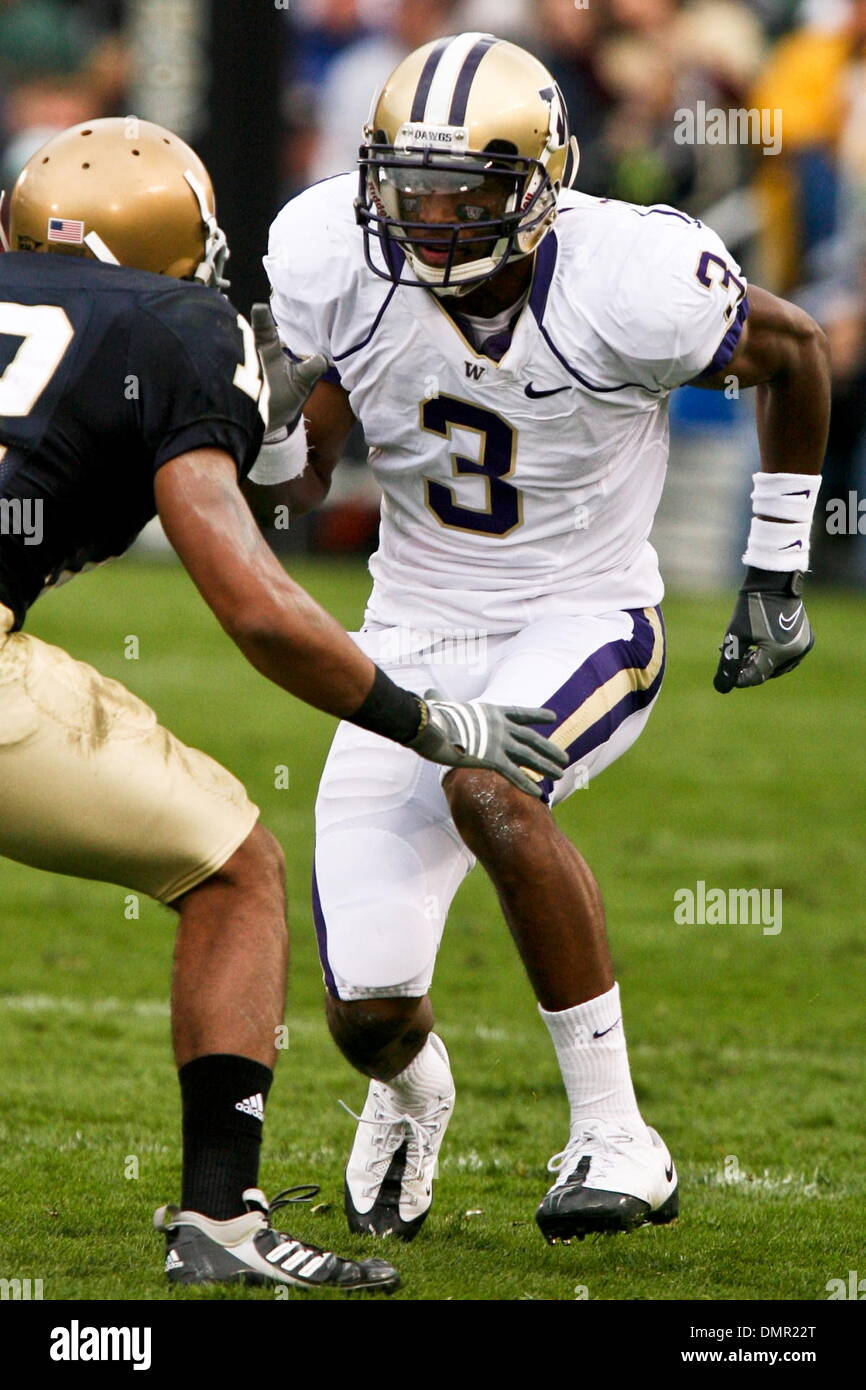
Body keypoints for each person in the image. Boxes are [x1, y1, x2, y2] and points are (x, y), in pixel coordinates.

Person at [255, 31, 829, 1244]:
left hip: (582, 614)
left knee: (491, 786)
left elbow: (794, 352)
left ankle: (618, 1137)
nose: (431, 222)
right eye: (407, 191)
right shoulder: (333, 255)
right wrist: (257, 436)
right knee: (366, 1014)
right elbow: (301, 480)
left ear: (538, 186)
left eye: (464, 194)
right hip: (408, 624)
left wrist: (774, 567)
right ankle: (415, 1097)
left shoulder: (631, 276)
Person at [0, 114, 567, 1290]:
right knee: (234, 865)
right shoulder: (175, 319)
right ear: (175, 242)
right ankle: (222, 1220)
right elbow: (255, 605)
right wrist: (422, 719)